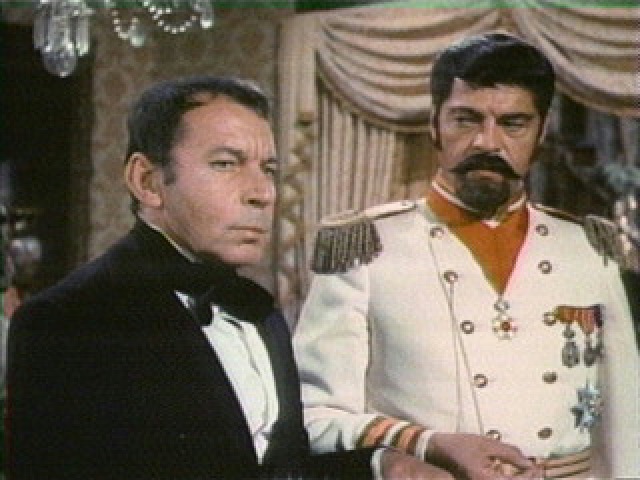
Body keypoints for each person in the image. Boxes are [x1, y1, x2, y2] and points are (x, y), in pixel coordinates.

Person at [5, 76, 451, 479]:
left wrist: (382, 465)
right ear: (148, 182)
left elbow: (274, 467)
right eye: (225, 164)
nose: (262, 193)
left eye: (268, 169)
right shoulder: (67, 321)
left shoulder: (259, 310)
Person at [293, 33, 640, 480]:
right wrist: (421, 446)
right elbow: (313, 415)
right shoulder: (367, 249)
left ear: (541, 133)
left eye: (513, 123)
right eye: (466, 119)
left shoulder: (588, 250)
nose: (486, 143)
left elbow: (626, 425)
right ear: (434, 125)